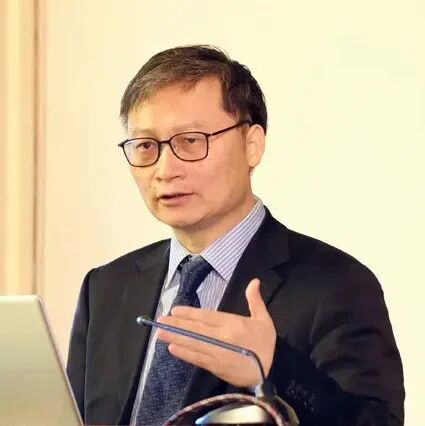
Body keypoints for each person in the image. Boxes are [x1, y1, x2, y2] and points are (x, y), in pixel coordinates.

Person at [66, 45, 404, 426]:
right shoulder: (107, 288)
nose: (165, 169)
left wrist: (275, 366)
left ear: (252, 145)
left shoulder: (336, 285)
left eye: (191, 141)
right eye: (146, 146)